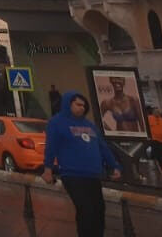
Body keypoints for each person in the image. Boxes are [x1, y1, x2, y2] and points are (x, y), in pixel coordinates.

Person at [43, 92, 122, 237]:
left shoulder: (89, 125)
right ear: (68, 104)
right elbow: (51, 147)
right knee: (86, 210)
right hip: (72, 175)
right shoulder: (57, 122)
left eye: (84, 105)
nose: (82, 108)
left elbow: (102, 147)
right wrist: (47, 169)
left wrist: (114, 165)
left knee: (98, 210)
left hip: (93, 175)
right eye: (78, 104)